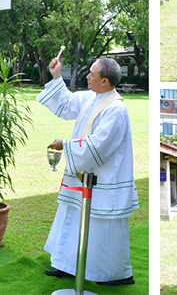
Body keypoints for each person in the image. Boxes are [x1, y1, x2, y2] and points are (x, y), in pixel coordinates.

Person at [37, 57, 138, 286]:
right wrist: (56, 75)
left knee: (103, 224)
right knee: (72, 214)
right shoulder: (91, 97)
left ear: (104, 80)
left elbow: (99, 145)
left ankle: (111, 273)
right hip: (83, 174)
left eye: (91, 74)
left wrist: (66, 144)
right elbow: (66, 103)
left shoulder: (116, 109)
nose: (87, 76)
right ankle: (67, 264)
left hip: (104, 178)